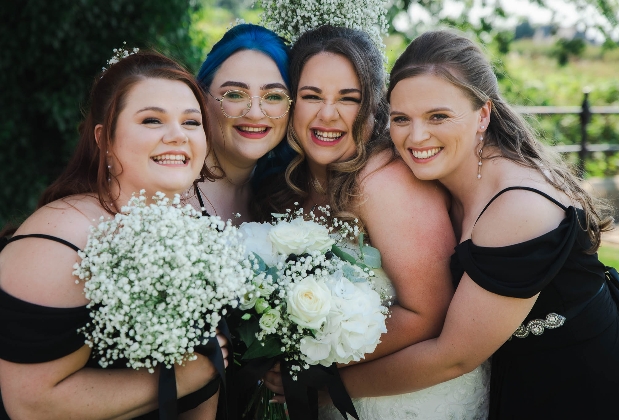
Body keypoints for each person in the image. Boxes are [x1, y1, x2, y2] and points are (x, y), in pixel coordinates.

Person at [319, 29, 619, 419]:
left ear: (483, 114)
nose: (416, 136)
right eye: (401, 118)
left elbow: (453, 357)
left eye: (438, 116)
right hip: (513, 371)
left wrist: (323, 387)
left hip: (576, 384)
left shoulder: (516, 208)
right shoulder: (443, 174)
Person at [257, 25, 490, 419]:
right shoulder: (289, 188)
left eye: (349, 99)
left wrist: (309, 363)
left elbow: (428, 314)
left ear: (373, 107)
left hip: (408, 400)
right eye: (311, 96)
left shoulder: (385, 180)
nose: (327, 114)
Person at [0, 51, 228, 419]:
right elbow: (31, 405)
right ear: (105, 139)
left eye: (191, 122)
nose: (177, 136)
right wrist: (185, 377)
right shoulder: (61, 239)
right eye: (152, 120)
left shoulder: (192, 232)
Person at [191, 23, 292, 222]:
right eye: (235, 95)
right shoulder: (171, 196)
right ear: (202, 98)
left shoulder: (282, 195)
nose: (254, 114)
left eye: (273, 97)